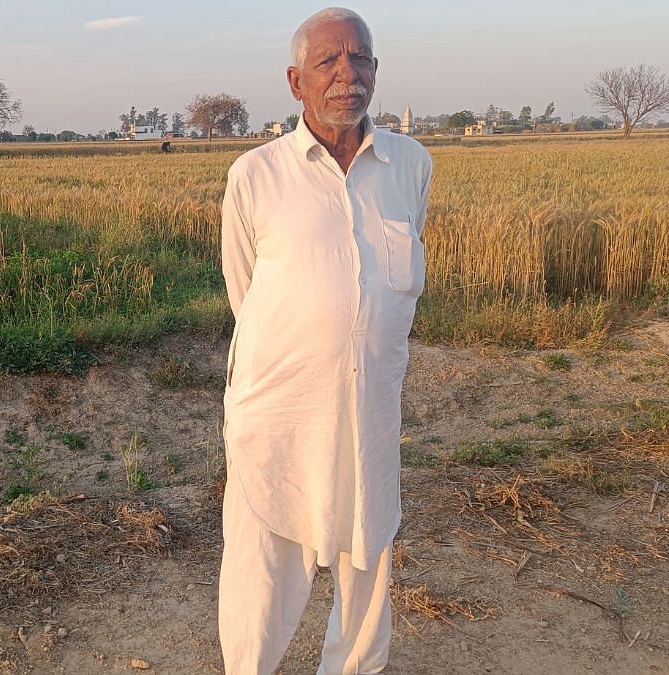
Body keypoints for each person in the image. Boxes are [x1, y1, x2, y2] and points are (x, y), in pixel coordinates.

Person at [217, 7, 432, 675]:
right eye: (328, 61)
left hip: (369, 412)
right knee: (262, 572)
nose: (348, 74)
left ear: (376, 70)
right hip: (278, 413)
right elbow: (243, 290)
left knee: (367, 554)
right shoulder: (256, 176)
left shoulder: (411, 165)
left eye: (360, 58)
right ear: (295, 81)